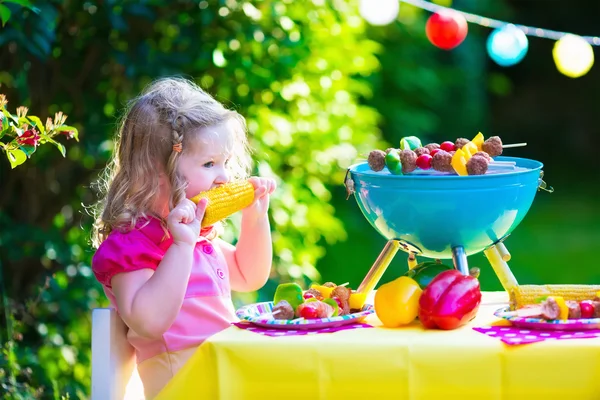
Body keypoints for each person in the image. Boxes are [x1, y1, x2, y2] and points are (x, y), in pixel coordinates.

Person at [91, 77, 276, 398]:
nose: (225, 178)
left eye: (226, 163)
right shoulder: (134, 247)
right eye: (209, 164)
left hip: (227, 378)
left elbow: (249, 276)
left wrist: (256, 219)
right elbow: (148, 322)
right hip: (184, 386)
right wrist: (181, 246)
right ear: (155, 172)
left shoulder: (198, 238)